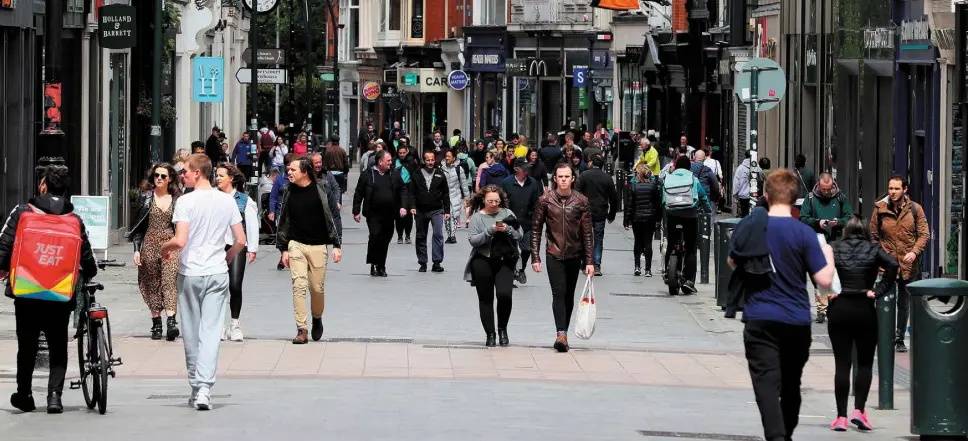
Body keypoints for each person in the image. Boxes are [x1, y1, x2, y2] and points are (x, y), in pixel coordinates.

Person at [727, 169, 836, 441]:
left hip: (759, 318)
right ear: (796, 198)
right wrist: (829, 254)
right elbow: (824, 280)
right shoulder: (803, 233)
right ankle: (784, 434)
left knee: (765, 383)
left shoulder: (750, 226)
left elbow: (732, 262)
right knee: (791, 385)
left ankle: (776, 437)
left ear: (766, 195)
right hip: (796, 321)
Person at [1, 163, 98, 413]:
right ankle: (54, 396)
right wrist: (89, 272)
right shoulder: (73, 219)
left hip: (27, 290)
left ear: (43, 185)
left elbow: (4, 246)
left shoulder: (22, 212)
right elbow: (86, 256)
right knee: (58, 343)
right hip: (60, 291)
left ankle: (24, 394)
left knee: (27, 344)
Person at [161, 153, 247, 410]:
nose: (182, 175)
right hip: (217, 271)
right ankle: (204, 389)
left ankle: (196, 386)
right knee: (210, 332)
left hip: (191, 273)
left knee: (191, 331)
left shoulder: (185, 202)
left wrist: (164, 249)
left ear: (198, 172)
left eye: (185, 170)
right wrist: (227, 256)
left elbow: (180, 240)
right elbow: (240, 240)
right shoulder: (227, 201)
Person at [828, 215, 898, 432]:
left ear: (846, 231)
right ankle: (859, 410)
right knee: (865, 363)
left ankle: (840, 417)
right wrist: (877, 291)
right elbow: (893, 265)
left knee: (842, 363)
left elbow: (816, 268)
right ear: (865, 231)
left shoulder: (834, 248)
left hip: (839, 306)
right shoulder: (873, 249)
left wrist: (828, 291)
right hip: (864, 308)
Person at [276, 157, 343, 344]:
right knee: (298, 286)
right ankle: (301, 329)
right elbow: (284, 220)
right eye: (288, 170)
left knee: (316, 288)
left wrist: (337, 245)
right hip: (295, 244)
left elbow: (334, 216)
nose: (288, 173)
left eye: (292, 170)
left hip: (318, 245)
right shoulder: (289, 190)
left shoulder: (322, 188)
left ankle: (317, 318)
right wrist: (284, 248)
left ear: (304, 172)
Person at [531, 163, 595, 353]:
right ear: (555, 179)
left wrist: (590, 261)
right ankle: (561, 333)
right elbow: (536, 229)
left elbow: (588, 233)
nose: (564, 180)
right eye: (560, 177)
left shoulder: (581, 201)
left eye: (567, 176)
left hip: (574, 254)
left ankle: (563, 332)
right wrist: (535, 256)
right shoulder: (545, 200)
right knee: (558, 293)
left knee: (569, 296)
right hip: (554, 253)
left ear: (573, 178)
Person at [869, 175, 929, 353]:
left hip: (907, 266)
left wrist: (914, 252)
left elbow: (924, 235)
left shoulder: (915, 210)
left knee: (903, 303)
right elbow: (873, 237)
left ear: (905, 190)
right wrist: (881, 256)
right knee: (883, 300)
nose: (892, 192)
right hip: (886, 265)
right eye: (890, 189)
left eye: (896, 189)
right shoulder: (879, 209)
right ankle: (882, 335)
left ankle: (899, 338)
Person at [464, 185, 523, 347]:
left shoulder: (508, 213)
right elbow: (473, 240)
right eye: (490, 201)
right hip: (482, 261)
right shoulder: (477, 217)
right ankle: (490, 334)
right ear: (483, 200)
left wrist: (508, 229)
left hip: (505, 260)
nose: (493, 204)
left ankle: (502, 328)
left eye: (496, 201)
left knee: (505, 295)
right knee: (486, 299)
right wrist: (490, 231)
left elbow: (520, 235)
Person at [129, 163, 182, 341]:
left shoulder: (177, 199)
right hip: (149, 243)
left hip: (170, 244)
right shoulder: (145, 198)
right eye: (156, 175)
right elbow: (138, 228)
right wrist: (137, 250)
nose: (159, 178)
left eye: (163, 176)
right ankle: (156, 321)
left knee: (169, 281)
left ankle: (171, 322)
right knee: (150, 282)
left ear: (170, 179)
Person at [799, 173, 852, 324]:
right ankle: (822, 310)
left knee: (835, 274)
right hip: (818, 240)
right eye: (824, 189)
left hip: (836, 241)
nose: (827, 192)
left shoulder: (840, 197)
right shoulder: (810, 198)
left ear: (833, 184)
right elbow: (803, 218)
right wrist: (817, 222)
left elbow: (849, 215)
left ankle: (833, 306)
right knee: (820, 274)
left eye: (829, 189)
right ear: (818, 185)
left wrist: (839, 221)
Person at [215, 164, 259, 342]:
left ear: (231, 178)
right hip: (216, 247)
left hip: (236, 246)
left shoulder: (244, 200)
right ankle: (218, 325)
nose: (217, 178)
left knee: (234, 285)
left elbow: (252, 224)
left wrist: (252, 248)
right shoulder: (213, 198)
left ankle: (234, 324)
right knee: (217, 287)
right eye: (216, 175)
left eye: (221, 175)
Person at [353, 150, 407, 277]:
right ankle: (375, 263)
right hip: (373, 213)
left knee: (385, 239)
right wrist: (356, 211)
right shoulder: (367, 174)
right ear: (380, 161)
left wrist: (404, 206)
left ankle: (381, 265)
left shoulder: (393, 174)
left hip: (389, 214)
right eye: (388, 161)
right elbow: (359, 192)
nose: (390, 163)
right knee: (375, 235)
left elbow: (403, 190)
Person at [661, 155, 711, 294]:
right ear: (689, 166)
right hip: (690, 215)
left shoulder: (668, 177)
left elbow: (664, 198)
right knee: (690, 248)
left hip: (672, 215)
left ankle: (667, 272)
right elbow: (703, 196)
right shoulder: (693, 179)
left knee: (671, 243)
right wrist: (707, 209)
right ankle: (689, 280)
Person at [500, 158, 542, 285]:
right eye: (524, 168)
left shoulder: (533, 183)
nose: (527, 170)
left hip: (528, 222)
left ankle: (521, 269)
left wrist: (538, 218)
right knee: (511, 251)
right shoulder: (506, 183)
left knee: (528, 249)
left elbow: (537, 202)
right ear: (516, 169)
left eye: (528, 168)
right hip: (511, 223)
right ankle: (511, 274)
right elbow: (501, 203)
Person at [408, 151, 452, 273]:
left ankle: (437, 262)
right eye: (428, 160)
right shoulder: (416, 174)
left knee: (438, 234)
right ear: (423, 160)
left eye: (432, 160)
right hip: (420, 210)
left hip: (437, 210)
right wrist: (412, 206)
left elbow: (446, 194)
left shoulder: (440, 174)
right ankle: (423, 262)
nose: (430, 162)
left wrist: (447, 210)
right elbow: (411, 192)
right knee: (421, 236)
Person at [575, 154, 618, 275]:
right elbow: (613, 198)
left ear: (590, 163)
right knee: (598, 239)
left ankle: (585, 264)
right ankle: (597, 266)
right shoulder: (607, 177)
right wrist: (611, 214)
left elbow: (576, 195)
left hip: (584, 212)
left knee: (584, 237)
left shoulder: (583, 176)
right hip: (600, 211)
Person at [624, 164, 662, 277]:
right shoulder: (653, 186)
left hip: (637, 218)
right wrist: (658, 219)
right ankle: (648, 269)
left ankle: (637, 266)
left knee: (638, 241)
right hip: (649, 218)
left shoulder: (633, 186)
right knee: (648, 242)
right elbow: (657, 204)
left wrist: (627, 220)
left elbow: (629, 205)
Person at [441, 150, 467, 244]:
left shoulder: (459, 169)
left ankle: (452, 235)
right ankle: (449, 235)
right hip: (444, 197)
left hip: (455, 195)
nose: (447, 158)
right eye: (446, 156)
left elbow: (464, 184)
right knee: (447, 216)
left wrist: (467, 198)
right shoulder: (441, 168)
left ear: (454, 158)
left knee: (454, 215)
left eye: (449, 156)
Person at [394, 145, 417, 244]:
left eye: (404, 153)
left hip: (409, 189)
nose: (402, 155)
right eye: (400, 153)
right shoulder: (395, 161)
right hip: (397, 190)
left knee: (408, 214)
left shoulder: (412, 161)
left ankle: (407, 235)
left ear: (407, 152)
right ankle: (399, 235)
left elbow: (416, 175)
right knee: (398, 214)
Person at [733, 150, 753, 216]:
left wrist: (735, 195)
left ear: (745, 156)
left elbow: (736, 182)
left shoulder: (740, 168)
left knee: (745, 215)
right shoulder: (756, 167)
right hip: (754, 196)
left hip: (743, 196)